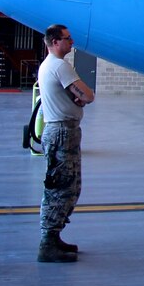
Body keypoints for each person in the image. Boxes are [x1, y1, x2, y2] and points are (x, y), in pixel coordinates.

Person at [37, 24, 96, 263]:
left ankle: (54, 236)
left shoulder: (48, 65)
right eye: (67, 39)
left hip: (61, 131)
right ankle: (48, 242)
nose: (72, 42)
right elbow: (88, 95)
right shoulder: (60, 66)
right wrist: (81, 98)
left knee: (65, 185)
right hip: (62, 132)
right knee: (62, 188)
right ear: (54, 42)